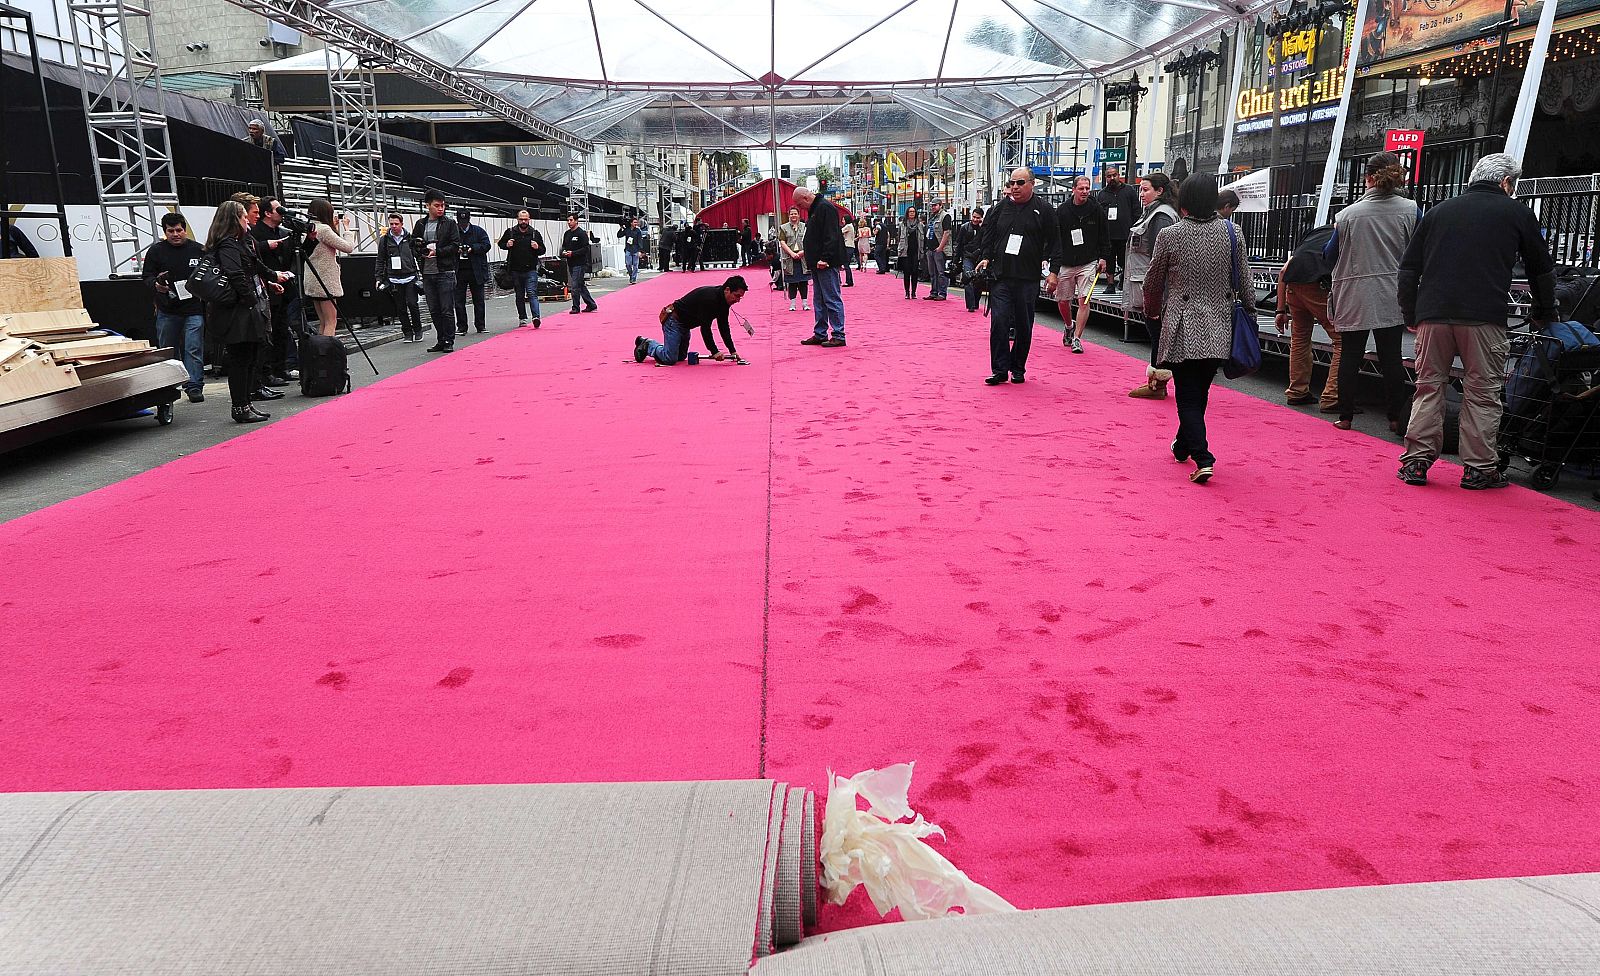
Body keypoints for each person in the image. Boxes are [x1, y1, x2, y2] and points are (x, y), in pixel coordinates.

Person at [1397, 152, 1557, 490]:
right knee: (1482, 393)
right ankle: (1479, 468)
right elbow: (1541, 270)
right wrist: (1543, 312)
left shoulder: (1439, 212)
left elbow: (1409, 268)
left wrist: (1411, 313)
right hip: (1484, 317)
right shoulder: (1517, 213)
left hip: (1433, 315)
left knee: (1428, 387)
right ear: (1506, 182)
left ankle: (1416, 463)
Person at [1142, 175, 1253, 483]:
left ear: (1184, 200)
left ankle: (1203, 457)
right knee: (1199, 391)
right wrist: (1252, 312)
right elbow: (1245, 281)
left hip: (1182, 323)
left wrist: (1151, 312)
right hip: (1220, 324)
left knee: (1188, 396)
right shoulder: (1233, 232)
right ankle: (1182, 445)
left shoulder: (1170, 234)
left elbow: (1153, 281)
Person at [1328, 152, 1417, 436]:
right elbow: (1419, 251)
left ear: (1367, 178)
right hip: (1392, 292)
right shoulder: (1412, 210)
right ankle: (1394, 417)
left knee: (1350, 355)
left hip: (1355, 291)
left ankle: (1345, 416)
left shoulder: (1347, 215)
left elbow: (1329, 254)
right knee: (1391, 357)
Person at [976, 168, 1060, 385]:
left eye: (1020, 183)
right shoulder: (999, 209)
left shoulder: (1044, 209)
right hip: (1001, 276)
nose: (1014, 187)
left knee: (1024, 325)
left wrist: (1054, 272)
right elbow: (988, 235)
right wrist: (985, 257)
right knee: (1000, 322)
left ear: (1031, 184)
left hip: (1027, 277)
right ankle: (1000, 369)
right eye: (1012, 183)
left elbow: (1055, 242)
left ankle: (1018, 367)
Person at [203, 201, 274, 423]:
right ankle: (240, 406)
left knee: (249, 356)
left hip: (241, 308)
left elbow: (254, 267)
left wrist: (272, 278)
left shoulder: (238, 243)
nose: (247, 220)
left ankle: (246, 403)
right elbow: (236, 275)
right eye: (244, 216)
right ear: (235, 219)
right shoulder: (228, 245)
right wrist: (251, 299)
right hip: (235, 312)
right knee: (240, 359)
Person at [1273, 223, 1341, 409]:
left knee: (1300, 338)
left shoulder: (1314, 233)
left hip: (1293, 287)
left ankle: (1297, 391)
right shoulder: (1343, 234)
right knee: (1342, 340)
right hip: (1317, 286)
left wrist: (1280, 311)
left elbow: (1283, 271)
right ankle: (1332, 397)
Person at [1125, 173, 1180, 398]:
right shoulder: (1156, 214)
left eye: (1146, 189)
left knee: (1159, 336)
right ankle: (1157, 382)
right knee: (1158, 336)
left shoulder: (1161, 217)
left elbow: (1162, 260)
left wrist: (1158, 296)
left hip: (1158, 289)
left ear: (1159, 191)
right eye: (1141, 189)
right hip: (1152, 285)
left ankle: (1157, 384)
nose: (1142, 194)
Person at [141, 213, 206, 403]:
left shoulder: (198, 249)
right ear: (165, 232)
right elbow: (147, 277)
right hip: (167, 308)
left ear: (185, 230)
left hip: (194, 307)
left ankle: (194, 386)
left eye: (179, 230)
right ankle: (171, 384)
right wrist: (156, 285)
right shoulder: (156, 251)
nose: (176, 234)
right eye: (171, 231)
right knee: (168, 350)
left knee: (193, 347)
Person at [633, 276, 753, 366]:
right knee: (669, 359)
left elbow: (724, 327)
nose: (738, 300)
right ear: (727, 290)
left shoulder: (724, 302)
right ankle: (648, 344)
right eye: (737, 296)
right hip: (673, 321)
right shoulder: (710, 299)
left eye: (740, 297)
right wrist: (714, 351)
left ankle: (654, 345)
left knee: (680, 357)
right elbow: (705, 328)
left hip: (685, 326)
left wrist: (732, 351)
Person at [1053, 175, 1108, 354]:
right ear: (1074, 189)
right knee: (1063, 301)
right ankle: (1069, 325)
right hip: (1066, 262)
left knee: (1084, 299)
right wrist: (1053, 261)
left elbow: (1104, 235)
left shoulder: (1096, 209)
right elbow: (1055, 238)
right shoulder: (1062, 211)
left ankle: (1077, 338)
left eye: (1087, 188)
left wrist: (1103, 257)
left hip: (1088, 261)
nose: (1085, 191)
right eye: (1081, 188)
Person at [251, 197, 302, 386]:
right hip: (267, 287)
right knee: (269, 333)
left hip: (284, 287)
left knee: (281, 330)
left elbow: (296, 256)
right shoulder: (256, 234)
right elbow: (254, 258)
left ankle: (281, 369)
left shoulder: (283, 232)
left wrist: (309, 241)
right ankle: (269, 372)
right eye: (278, 209)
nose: (282, 212)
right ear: (268, 213)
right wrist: (267, 246)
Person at [796, 185, 847, 348]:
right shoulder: (817, 208)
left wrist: (825, 258)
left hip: (825, 263)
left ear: (805, 198)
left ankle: (838, 334)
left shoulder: (825, 207)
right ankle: (820, 332)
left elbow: (831, 236)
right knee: (819, 299)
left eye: (799, 204)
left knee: (831, 298)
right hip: (817, 263)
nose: (799, 208)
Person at [299, 197, 355, 341]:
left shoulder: (307, 228)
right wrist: (347, 229)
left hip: (313, 279)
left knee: (323, 321)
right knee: (331, 322)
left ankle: (320, 352)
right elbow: (348, 247)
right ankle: (327, 355)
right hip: (325, 280)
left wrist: (334, 227)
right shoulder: (323, 229)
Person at [413, 190, 461, 351]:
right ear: (428, 205)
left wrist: (437, 252)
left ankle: (449, 340)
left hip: (445, 271)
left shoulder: (449, 223)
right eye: (437, 205)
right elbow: (413, 245)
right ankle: (441, 339)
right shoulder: (420, 224)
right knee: (434, 309)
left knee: (446, 309)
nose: (441, 209)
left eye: (443, 205)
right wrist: (420, 250)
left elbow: (455, 245)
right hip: (427, 272)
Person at [377, 213, 423, 342]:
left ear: (402, 224)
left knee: (413, 304)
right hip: (394, 278)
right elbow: (380, 260)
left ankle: (418, 329)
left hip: (410, 276)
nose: (394, 226)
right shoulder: (385, 240)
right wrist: (379, 277)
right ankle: (407, 332)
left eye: (396, 224)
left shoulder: (410, 238)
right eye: (391, 224)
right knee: (400, 307)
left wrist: (422, 274)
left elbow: (418, 256)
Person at [498, 209, 546, 328]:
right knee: (519, 295)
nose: (523, 221)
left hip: (531, 269)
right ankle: (522, 318)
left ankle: (536, 317)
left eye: (525, 219)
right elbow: (500, 244)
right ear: (517, 219)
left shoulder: (535, 233)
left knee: (531, 293)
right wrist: (506, 244)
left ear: (529, 220)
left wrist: (537, 247)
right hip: (515, 270)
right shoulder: (510, 232)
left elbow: (543, 250)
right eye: (521, 219)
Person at [1096, 166, 1140, 293]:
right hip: (1108, 235)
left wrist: (1135, 228)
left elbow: (1136, 210)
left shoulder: (1129, 191)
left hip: (1125, 233)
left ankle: (1123, 280)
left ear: (1118, 175)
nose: (1112, 178)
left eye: (1114, 175)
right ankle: (1110, 285)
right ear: (1106, 178)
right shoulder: (1102, 194)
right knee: (1109, 260)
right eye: (1109, 176)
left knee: (1124, 260)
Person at [454, 210, 491, 335]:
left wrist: (472, 248)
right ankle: (461, 326)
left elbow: (487, 245)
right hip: (459, 271)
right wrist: (457, 249)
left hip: (476, 270)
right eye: (461, 221)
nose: (463, 224)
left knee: (479, 300)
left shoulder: (478, 231)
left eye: (465, 221)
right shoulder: (453, 232)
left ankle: (480, 325)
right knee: (459, 301)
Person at [560, 213, 600, 314]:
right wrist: (564, 252)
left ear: (576, 221)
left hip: (580, 263)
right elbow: (564, 246)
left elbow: (586, 249)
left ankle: (575, 307)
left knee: (574, 286)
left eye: (571, 220)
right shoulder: (567, 234)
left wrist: (573, 253)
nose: (569, 222)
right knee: (580, 284)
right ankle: (591, 304)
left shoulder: (581, 234)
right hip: (571, 262)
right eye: (568, 220)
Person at [776, 206, 809, 312]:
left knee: (804, 281)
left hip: (803, 258)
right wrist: (790, 253)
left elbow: (809, 241)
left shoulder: (804, 227)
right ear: (788, 215)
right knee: (792, 282)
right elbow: (782, 242)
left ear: (799, 215)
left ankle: (805, 303)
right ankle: (793, 303)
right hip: (789, 258)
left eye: (795, 214)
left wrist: (802, 253)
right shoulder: (783, 227)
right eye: (791, 214)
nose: (793, 216)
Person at [952, 207, 985, 313]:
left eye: (978, 218)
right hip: (967, 256)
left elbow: (986, 243)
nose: (975, 219)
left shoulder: (983, 229)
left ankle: (975, 303)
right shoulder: (964, 227)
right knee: (968, 279)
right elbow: (959, 243)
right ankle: (971, 305)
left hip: (979, 257)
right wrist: (956, 260)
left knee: (979, 280)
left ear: (981, 218)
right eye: (974, 217)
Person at [923, 201, 953, 301]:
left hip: (939, 249)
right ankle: (934, 291)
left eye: (935, 205)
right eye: (932, 205)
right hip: (930, 248)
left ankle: (942, 293)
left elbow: (947, 233)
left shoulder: (945, 216)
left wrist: (940, 247)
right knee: (932, 272)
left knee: (941, 272)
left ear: (940, 206)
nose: (933, 207)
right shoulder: (931, 217)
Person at [897, 206, 924, 300]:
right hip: (906, 251)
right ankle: (907, 292)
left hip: (916, 251)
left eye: (913, 211)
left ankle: (914, 292)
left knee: (915, 272)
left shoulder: (920, 225)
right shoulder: (902, 224)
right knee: (907, 272)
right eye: (910, 211)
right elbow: (899, 237)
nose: (912, 213)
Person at [619, 216, 647, 284]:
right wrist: (621, 228)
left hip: (636, 249)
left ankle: (634, 278)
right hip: (628, 249)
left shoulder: (638, 231)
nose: (636, 224)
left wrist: (640, 250)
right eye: (634, 222)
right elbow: (619, 235)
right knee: (628, 264)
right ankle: (631, 275)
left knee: (635, 264)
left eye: (636, 222)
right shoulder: (627, 230)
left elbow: (640, 241)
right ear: (631, 223)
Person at [841, 215, 856, 287]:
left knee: (846, 264)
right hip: (850, 246)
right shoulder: (851, 226)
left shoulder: (848, 226)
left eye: (843, 220)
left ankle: (848, 281)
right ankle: (850, 281)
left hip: (848, 246)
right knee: (847, 265)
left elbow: (840, 232)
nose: (842, 221)